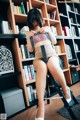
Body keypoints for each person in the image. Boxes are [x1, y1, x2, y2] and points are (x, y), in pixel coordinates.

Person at [26, 8, 72, 120]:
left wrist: (48, 31)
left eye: (36, 21)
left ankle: (65, 89)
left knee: (52, 64)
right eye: (33, 22)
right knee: (41, 67)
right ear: (30, 22)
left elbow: (55, 42)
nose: (35, 24)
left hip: (52, 55)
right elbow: (31, 50)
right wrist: (28, 37)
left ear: (40, 20)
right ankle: (41, 106)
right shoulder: (29, 33)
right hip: (38, 58)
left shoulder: (46, 28)